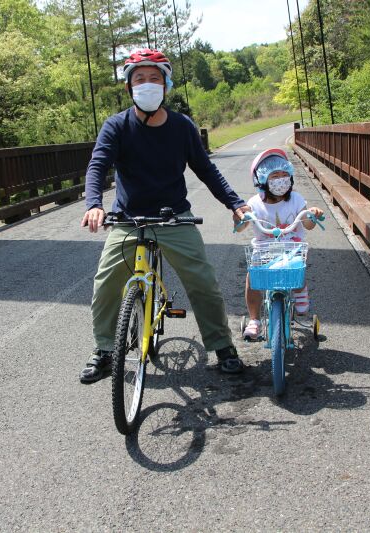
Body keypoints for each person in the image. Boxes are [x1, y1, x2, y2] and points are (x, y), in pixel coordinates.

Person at [79, 48, 251, 383]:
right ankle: (104, 349)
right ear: (129, 87)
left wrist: (234, 203)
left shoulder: (182, 127)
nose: (147, 84)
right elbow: (97, 165)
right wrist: (94, 204)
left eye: (154, 78)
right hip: (129, 219)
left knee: (203, 282)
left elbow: (206, 169)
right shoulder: (116, 126)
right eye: (139, 79)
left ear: (166, 86)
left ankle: (222, 347)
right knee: (106, 283)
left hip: (175, 217)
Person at [235, 148, 324, 341]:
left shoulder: (296, 199)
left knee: (297, 268)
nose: (281, 180)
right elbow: (241, 227)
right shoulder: (254, 203)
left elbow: (307, 225)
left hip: (292, 248)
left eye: (285, 175)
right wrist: (240, 217)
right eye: (275, 176)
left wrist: (312, 215)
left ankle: (300, 290)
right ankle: (254, 320)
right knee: (253, 278)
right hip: (264, 250)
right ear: (261, 179)